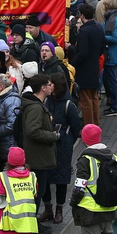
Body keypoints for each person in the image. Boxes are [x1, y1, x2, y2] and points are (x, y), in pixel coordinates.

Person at [18, 73, 60, 234]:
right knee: (37, 192)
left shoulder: (35, 105)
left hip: (36, 156)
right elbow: (32, 131)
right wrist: (53, 136)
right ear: (43, 88)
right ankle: (31, 223)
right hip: (37, 158)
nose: (51, 87)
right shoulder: (35, 107)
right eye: (49, 84)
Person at [45, 72, 82, 224]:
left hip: (62, 147)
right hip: (48, 144)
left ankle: (59, 210)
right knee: (45, 177)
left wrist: (67, 141)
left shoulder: (69, 105)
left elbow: (76, 127)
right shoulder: (47, 101)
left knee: (61, 179)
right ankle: (48, 209)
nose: (48, 86)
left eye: (50, 84)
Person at [72, 4, 105, 127]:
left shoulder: (84, 31)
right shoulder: (98, 27)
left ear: (82, 15)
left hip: (84, 70)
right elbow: (101, 49)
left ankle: (89, 127)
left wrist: (72, 63)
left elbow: (83, 52)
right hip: (94, 67)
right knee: (94, 98)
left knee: (85, 101)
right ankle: (96, 124)